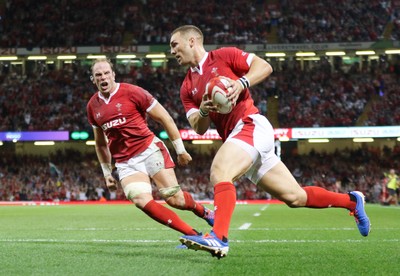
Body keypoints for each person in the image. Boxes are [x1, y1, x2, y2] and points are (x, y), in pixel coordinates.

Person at [169, 25, 371, 258]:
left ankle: (219, 237)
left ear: (192, 41)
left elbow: (264, 66)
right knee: (295, 197)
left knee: (220, 171)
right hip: (240, 139)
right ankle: (352, 201)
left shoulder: (223, 55)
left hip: (250, 124)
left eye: (175, 44)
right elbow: (198, 127)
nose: (172, 51)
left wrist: (241, 83)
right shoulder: (186, 86)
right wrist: (203, 110)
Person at [86, 58, 214, 242]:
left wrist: (180, 150)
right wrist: (107, 172)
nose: (103, 77)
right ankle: (194, 235)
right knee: (140, 200)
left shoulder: (133, 92)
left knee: (174, 199)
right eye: (98, 75)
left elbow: (165, 118)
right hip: (125, 162)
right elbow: (100, 144)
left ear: (113, 74)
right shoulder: (92, 107)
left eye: (106, 73)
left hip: (149, 150)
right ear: (93, 79)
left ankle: (204, 212)